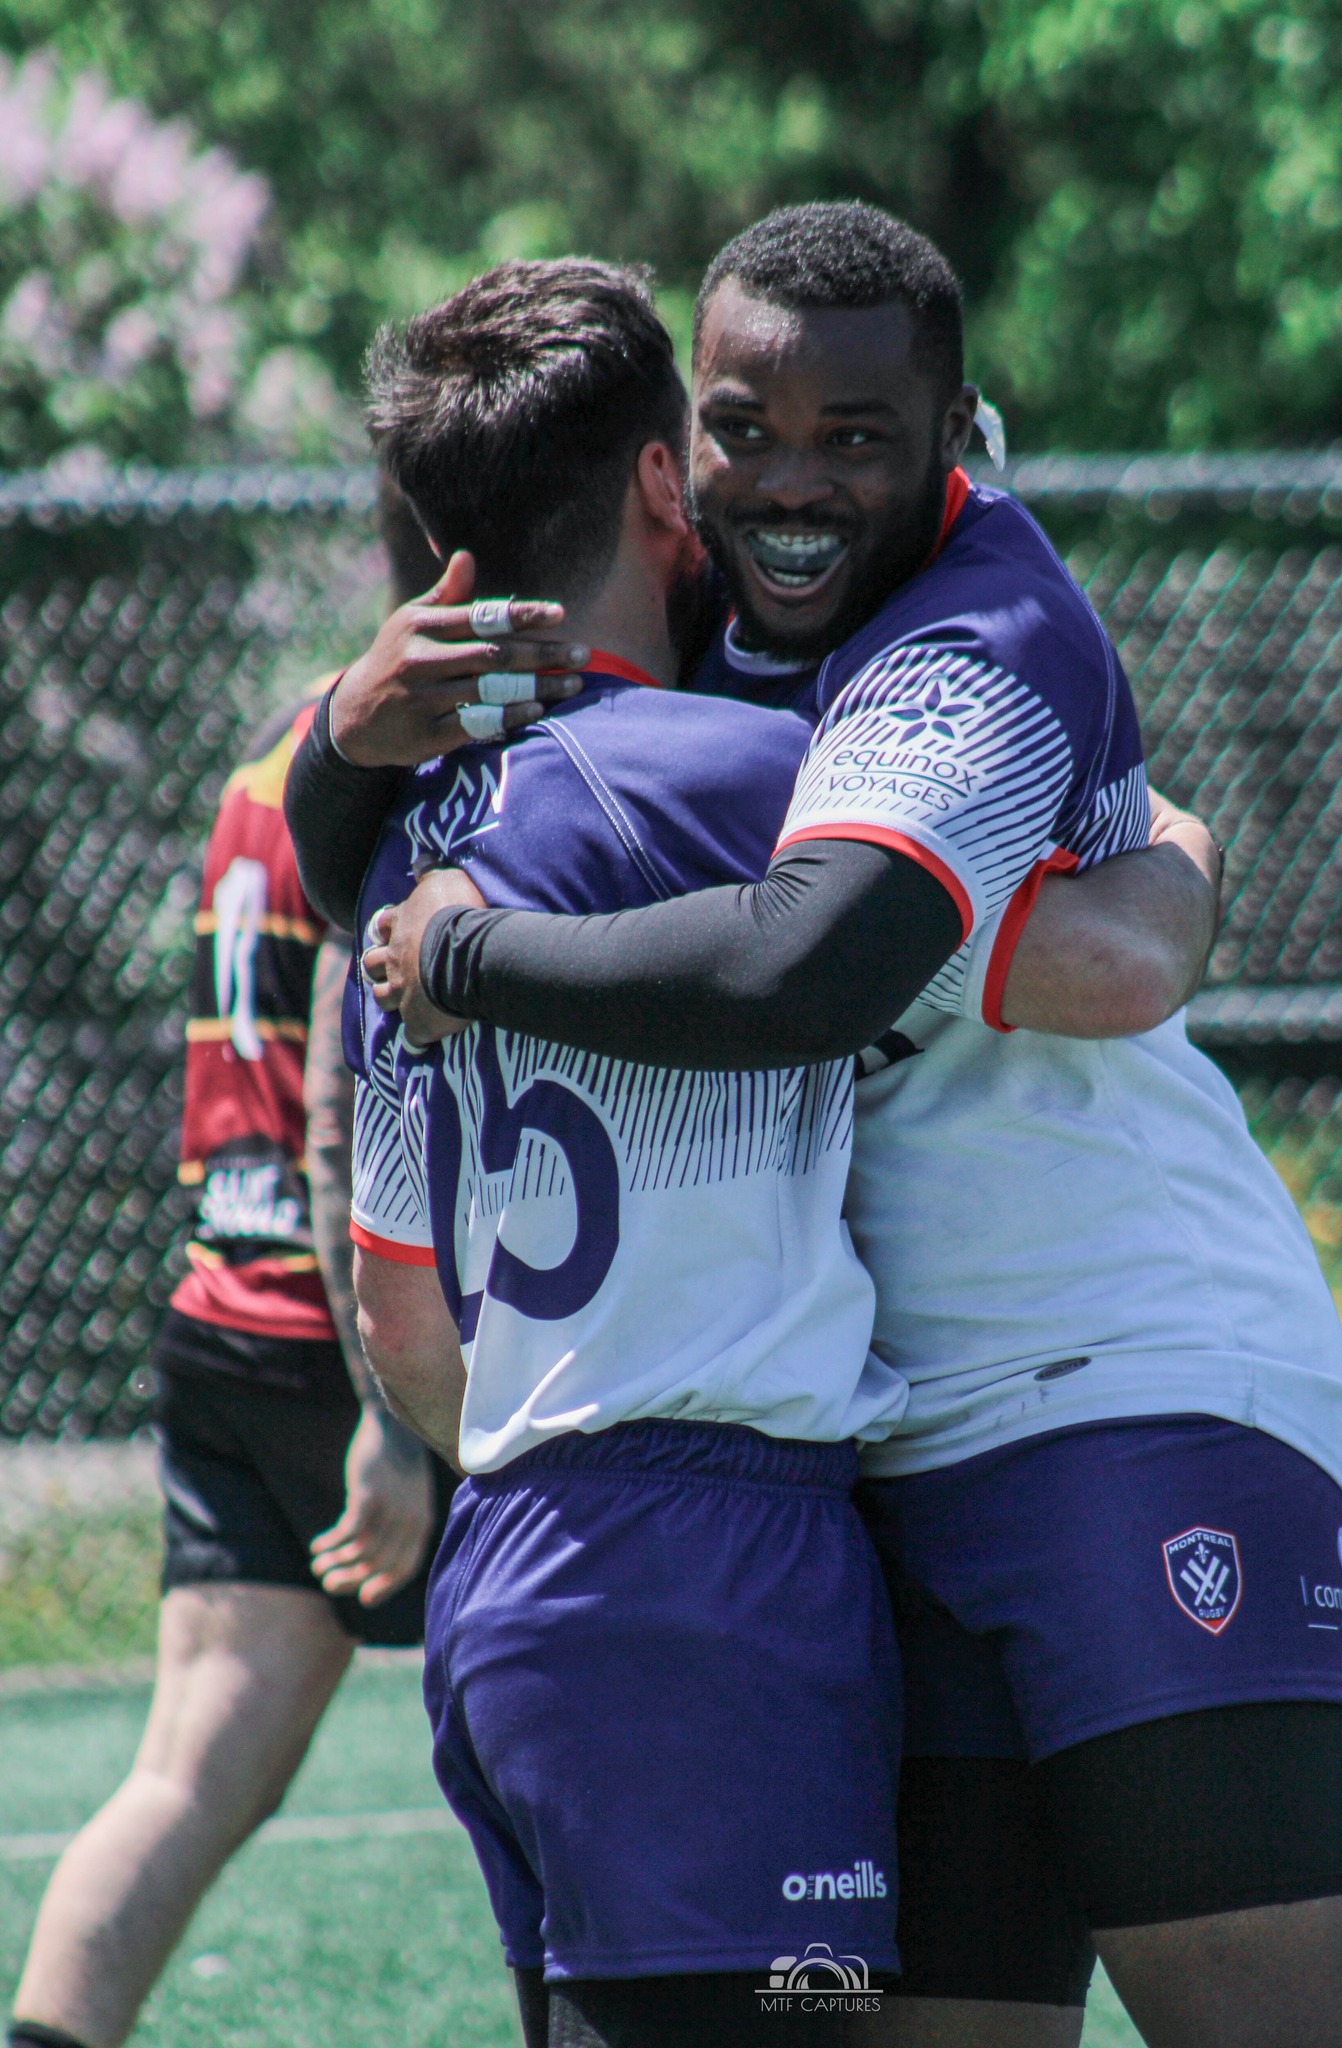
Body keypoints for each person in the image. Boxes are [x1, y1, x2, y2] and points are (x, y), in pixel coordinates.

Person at [296, 204, 1342, 2048]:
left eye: (856, 437)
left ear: (953, 439)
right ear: (675, 459)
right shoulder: (704, 611)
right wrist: (345, 734)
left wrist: (466, 951)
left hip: (1115, 1382)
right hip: (865, 1463)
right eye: (745, 429)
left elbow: (834, 959)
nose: (791, 481)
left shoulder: (973, 627)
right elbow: (384, 846)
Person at [345, 256, 924, 2048]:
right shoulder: (746, 774)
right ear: (663, 485)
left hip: (509, 1566)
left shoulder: (395, 848)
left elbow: (399, 1308)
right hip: (708, 1583)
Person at [6, 482, 452, 2048]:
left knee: (184, 1777)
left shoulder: (282, 741)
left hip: (222, 1309)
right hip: (361, 1344)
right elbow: (340, 1080)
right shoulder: (413, 751)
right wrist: (392, 1412)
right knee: (596, 1762)